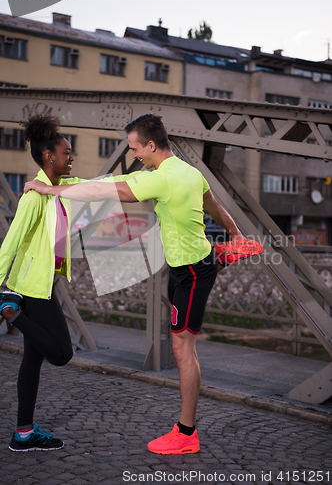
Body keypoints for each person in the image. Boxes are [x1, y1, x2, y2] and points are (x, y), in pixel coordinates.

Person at [24, 114, 242, 455]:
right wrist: (236, 235)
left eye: (135, 148)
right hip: (188, 269)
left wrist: (50, 188)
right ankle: (185, 429)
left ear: (151, 145)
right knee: (184, 346)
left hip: (192, 272)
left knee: (184, 350)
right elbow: (214, 205)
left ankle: (186, 434)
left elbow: (101, 190)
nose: (134, 153)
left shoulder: (162, 179)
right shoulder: (190, 172)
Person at [0, 114, 87, 452]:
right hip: (31, 288)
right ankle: (10, 314)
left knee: (32, 360)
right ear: (49, 156)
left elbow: (95, 188)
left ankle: (23, 434)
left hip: (41, 282)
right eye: (67, 153)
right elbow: (11, 242)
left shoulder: (57, 189)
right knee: (62, 353)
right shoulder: (33, 197)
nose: (71, 157)